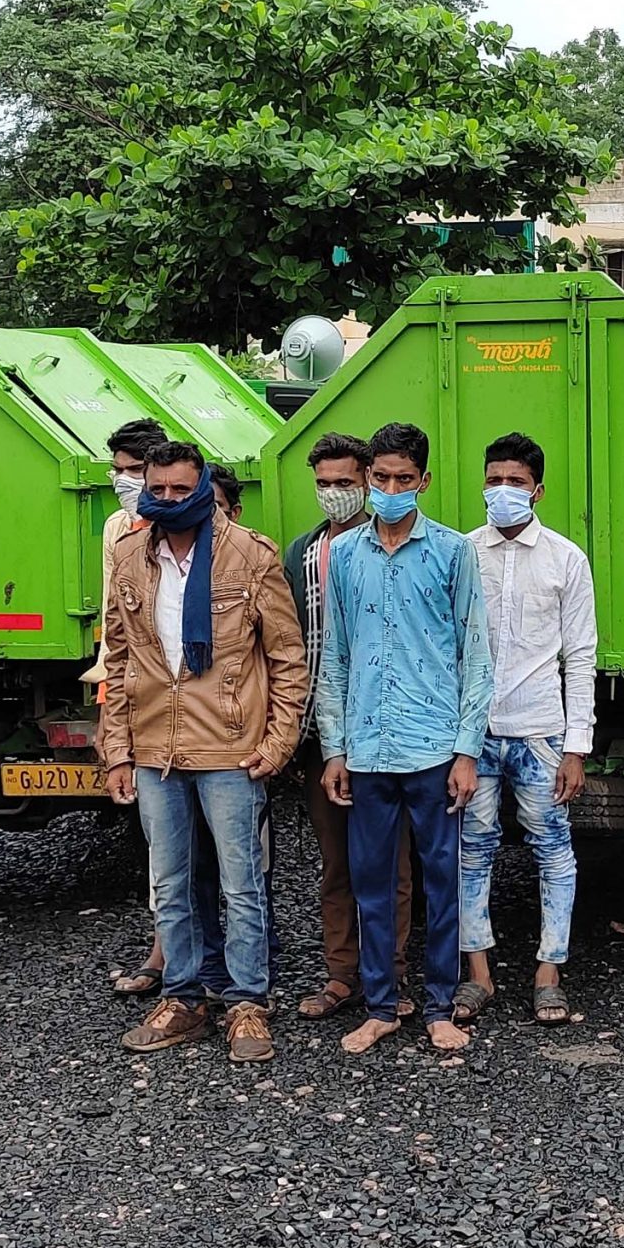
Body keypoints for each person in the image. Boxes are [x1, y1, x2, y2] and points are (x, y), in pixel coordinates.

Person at [102, 443, 309, 1062]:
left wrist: (278, 743)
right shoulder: (129, 557)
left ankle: (248, 1003)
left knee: (241, 883)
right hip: (154, 748)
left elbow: (287, 659)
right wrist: (116, 751)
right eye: (156, 488)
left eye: (179, 490)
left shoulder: (250, 555)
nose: (166, 499)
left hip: (230, 748)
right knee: (171, 882)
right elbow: (118, 658)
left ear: (202, 488)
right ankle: (184, 999)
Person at [315, 421, 492, 1056]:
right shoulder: (347, 557)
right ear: (367, 479)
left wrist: (467, 750)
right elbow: (333, 655)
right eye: (380, 478)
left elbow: (476, 655)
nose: (390, 489)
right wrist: (334, 748)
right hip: (366, 750)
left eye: (403, 479)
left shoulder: (451, 552)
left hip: (434, 748)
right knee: (370, 884)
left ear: (424, 481)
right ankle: (382, 1006)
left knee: (442, 879)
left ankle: (441, 1006)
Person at [457, 432, 594, 1028]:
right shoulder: (461, 552)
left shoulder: (567, 558)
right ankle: (478, 974)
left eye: (515, 482)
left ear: (538, 490)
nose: (502, 492)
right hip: (474, 730)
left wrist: (576, 747)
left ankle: (549, 971)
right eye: (494, 481)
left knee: (553, 850)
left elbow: (581, 655)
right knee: (473, 849)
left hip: (540, 730)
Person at [283, 431, 414, 1022]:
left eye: (345, 482)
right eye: (323, 483)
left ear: (369, 479)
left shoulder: (392, 549)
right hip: (321, 733)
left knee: (396, 863)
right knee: (336, 860)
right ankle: (341, 975)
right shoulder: (301, 554)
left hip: (390, 731)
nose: (334, 493)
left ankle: (392, 973)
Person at [90, 417, 179, 999]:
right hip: (140, 706)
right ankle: (165, 949)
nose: (124, 482)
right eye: (117, 470)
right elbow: (113, 633)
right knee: (159, 838)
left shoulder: (198, 526)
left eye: (133, 471)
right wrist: (108, 716)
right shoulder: (118, 530)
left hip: (197, 709)